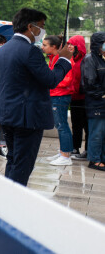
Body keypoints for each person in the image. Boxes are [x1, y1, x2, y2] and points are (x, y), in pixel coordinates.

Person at [0, 8, 72, 186]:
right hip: (27, 118)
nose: (41, 31)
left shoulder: (2, 51)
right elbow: (51, 80)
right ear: (30, 26)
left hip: (7, 113)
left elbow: (0, 86)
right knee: (23, 164)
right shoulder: (31, 51)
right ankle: (13, 203)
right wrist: (64, 60)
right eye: (41, 27)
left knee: (13, 159)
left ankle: (7, 196)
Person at [42, 35, 75, 166]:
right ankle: (63, 151)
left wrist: (50, 82)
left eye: (45, 45)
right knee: (60, 125)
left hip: (60, 96)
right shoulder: (53, 58)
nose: (42, 47)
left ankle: (65, 155)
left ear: (54, 47)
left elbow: (67, 80)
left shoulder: (64, 60)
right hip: (56, 95)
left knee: (62, 126)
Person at [81, 32, 105, 171]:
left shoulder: (102, 58)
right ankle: (94, 160)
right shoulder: (90, 59)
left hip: (102, 102)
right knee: (96, 132)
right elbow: (89, 83)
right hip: (96, 103)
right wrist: (102, 94)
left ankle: (102, 158)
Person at [67, 35, 88, 160]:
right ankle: (75, 148)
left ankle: (87, 150)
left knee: (86, 125)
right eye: (68, 44)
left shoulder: (84, 61)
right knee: (76, 125)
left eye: (72, 44)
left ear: (78, 46)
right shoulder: (72, 59)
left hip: (83, 98)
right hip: (74, 97)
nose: (69, 46)